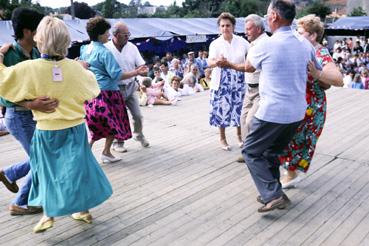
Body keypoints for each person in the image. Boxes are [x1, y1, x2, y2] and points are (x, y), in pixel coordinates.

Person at [0, 16, 113, 233]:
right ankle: (82, 210)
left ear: (39, 39)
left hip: (47, 130)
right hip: (76, 128)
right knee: (78, 172)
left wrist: (1, 53)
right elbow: (92, 89)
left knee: (48, 174)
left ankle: (48, 215)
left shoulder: (29, 68)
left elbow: (3, 79)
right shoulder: (75, 68)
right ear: (67, 41)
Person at [242, 0, 322, 213]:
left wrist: (226, 64)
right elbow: (318, 70)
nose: (266, 17)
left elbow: (249, 67)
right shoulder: (305, 44)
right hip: (296, 112)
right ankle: (275, 193)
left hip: (272, 111)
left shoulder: (265, 44)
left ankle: (273, 194)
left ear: (275, 17)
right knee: (271, 153)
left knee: (250, 151)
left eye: (268, 14)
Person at [0, 7, 57, 216]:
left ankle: (9, 173)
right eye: (40, 30)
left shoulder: (35, 52)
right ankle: (21, 202)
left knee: (43, 156)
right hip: (18, 116)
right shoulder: (9, 54)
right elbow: (4, 94)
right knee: (43, 159)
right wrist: (31, 104)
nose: (44, 34)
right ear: (27, 32)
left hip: (34, 116)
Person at [279, 14, 344, 189]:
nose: (297, 36)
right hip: (296, 101)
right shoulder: (299, 49)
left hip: (311, 107)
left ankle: (291, 174)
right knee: (289, 137)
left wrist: (318, 74)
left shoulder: (319, 52)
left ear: (313, 36)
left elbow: (338, 80)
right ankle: (289, 172)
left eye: (301, 32)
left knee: (296, 139)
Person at [80, 17, 146, 163]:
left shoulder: (84, 49)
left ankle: (97, 153)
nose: (108, 35)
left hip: (92, 93)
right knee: (114, 123)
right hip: (109, 93)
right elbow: (117, 75)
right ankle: (101, 152)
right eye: (106, 33)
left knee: (96, 124)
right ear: (99, 34)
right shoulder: (105, 52)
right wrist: (136, 72)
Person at [224, 14, 268, 163]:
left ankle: (257, 151)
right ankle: (248, 151)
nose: (246, 32)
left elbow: (249, 68)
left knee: (250, 121)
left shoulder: (263, 43)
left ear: (258, 28)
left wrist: (229, 64)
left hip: (261, 89)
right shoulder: (253, 43)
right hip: (250, 89)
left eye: (248, 29)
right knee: (243, 118)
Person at [105, 22, 150, 153]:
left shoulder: (132, 47)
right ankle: (117, 142)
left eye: (128, 34)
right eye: (126, 35)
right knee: (117, 118)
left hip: (130, 86)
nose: (128, 37)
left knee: (137, 115)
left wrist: (143, 70)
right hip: (114, 89)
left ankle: (138, 134)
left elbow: (142, 65)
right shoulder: (106, 48)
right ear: (116, 35)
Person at [208, 12, 249, 151]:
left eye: (228, 25)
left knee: (240, 108)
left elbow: (250, 59)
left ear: (233, 26)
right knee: (222, 109)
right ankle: (222, 138)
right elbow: (209, 62)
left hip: (239, 78)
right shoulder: (215, 43)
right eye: (222, 26)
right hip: (222, 79)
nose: (225, 28)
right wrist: (217, 62)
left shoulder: (243, 42)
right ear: (219, 28)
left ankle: (239, 136)